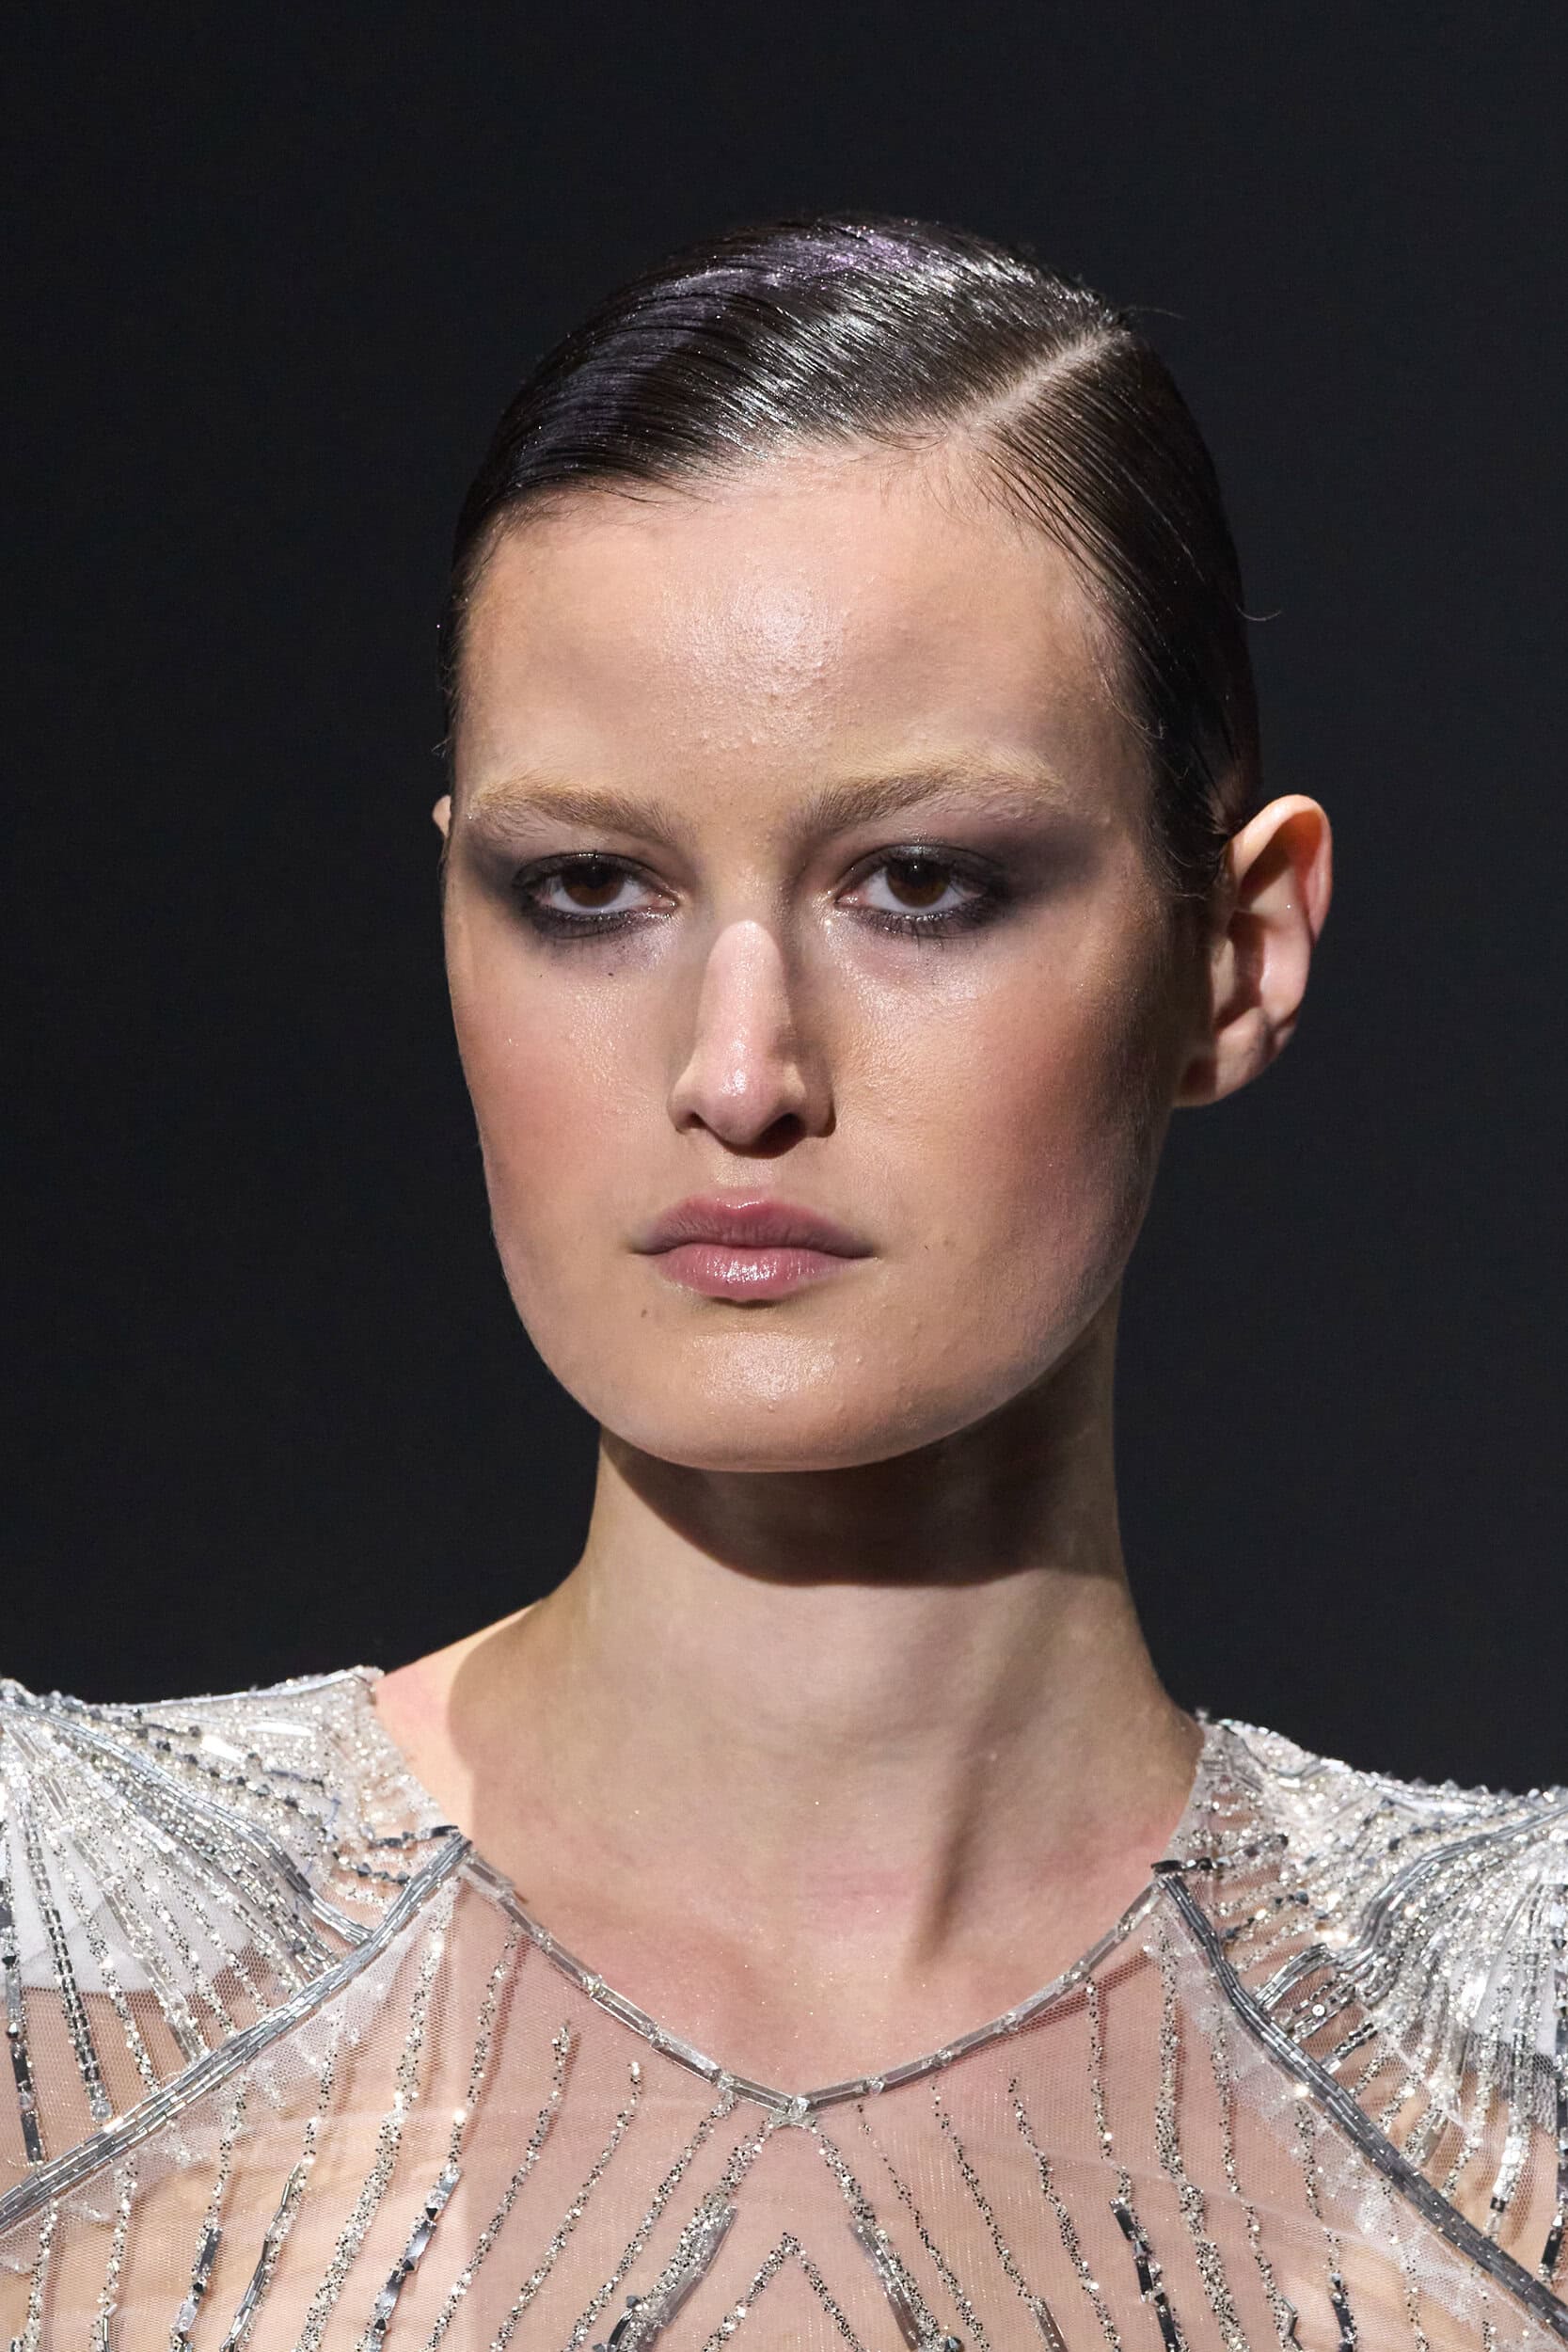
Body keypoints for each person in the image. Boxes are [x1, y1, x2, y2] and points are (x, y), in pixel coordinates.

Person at [0, 215, 1561, 2352]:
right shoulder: (51, 1962)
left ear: (1237, 950)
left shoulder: (1516, 2074)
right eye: (588, 888)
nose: (739, 1074)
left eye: (920, 883)